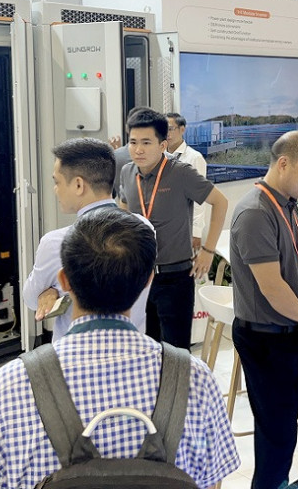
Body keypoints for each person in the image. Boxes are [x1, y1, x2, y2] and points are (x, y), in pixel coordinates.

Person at [0, 208, 240, 488]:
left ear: (64, 280)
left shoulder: (5, 390)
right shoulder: (194, 379)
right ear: (147, 281)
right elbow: (211, 481)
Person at [230, 131, 298, 489]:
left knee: (283, 430)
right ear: (284, 163)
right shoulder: (256, 212)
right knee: (276, 435)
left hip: (288, 334)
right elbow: (272, 288)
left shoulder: (286, 203)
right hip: (266, 339)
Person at [120, 108, 228, 349]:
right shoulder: (127, 172)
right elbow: (124, 209)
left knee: (176, 353)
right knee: (146, 349)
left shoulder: (180, 172)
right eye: (133, 142)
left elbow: (220, 202)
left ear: (162, 145)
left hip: (175, 277)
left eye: (146, 142)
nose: (138, 149)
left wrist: (208, 251)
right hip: (140, 277)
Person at [23, 138, 148, 340]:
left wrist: (53, 291)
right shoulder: (144, 228)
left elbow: (31, 300)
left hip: (71, 355)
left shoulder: (56, 243)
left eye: (57, 182)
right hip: (134, 348)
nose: (55, 189)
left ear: (79, 185)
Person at [166, 112, 208, 251]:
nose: (166, 133)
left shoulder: (194, 158)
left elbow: (199, 198)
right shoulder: (159, 157)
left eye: (170, 129)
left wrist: (196, 232)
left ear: (182, 129)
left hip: (186, 227)